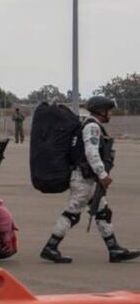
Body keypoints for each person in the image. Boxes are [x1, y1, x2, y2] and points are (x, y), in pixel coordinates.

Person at [41, 96, 140, 263]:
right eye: (109, 111)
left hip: (88, 179)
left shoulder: (89, 125)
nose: (111, 114)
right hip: (84, 179)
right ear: (102, 111)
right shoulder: (92, 127)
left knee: (103, 212)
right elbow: (91, 152)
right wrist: (103, 175)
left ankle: (113, 249)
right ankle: (50, 247)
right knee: (72, 213)